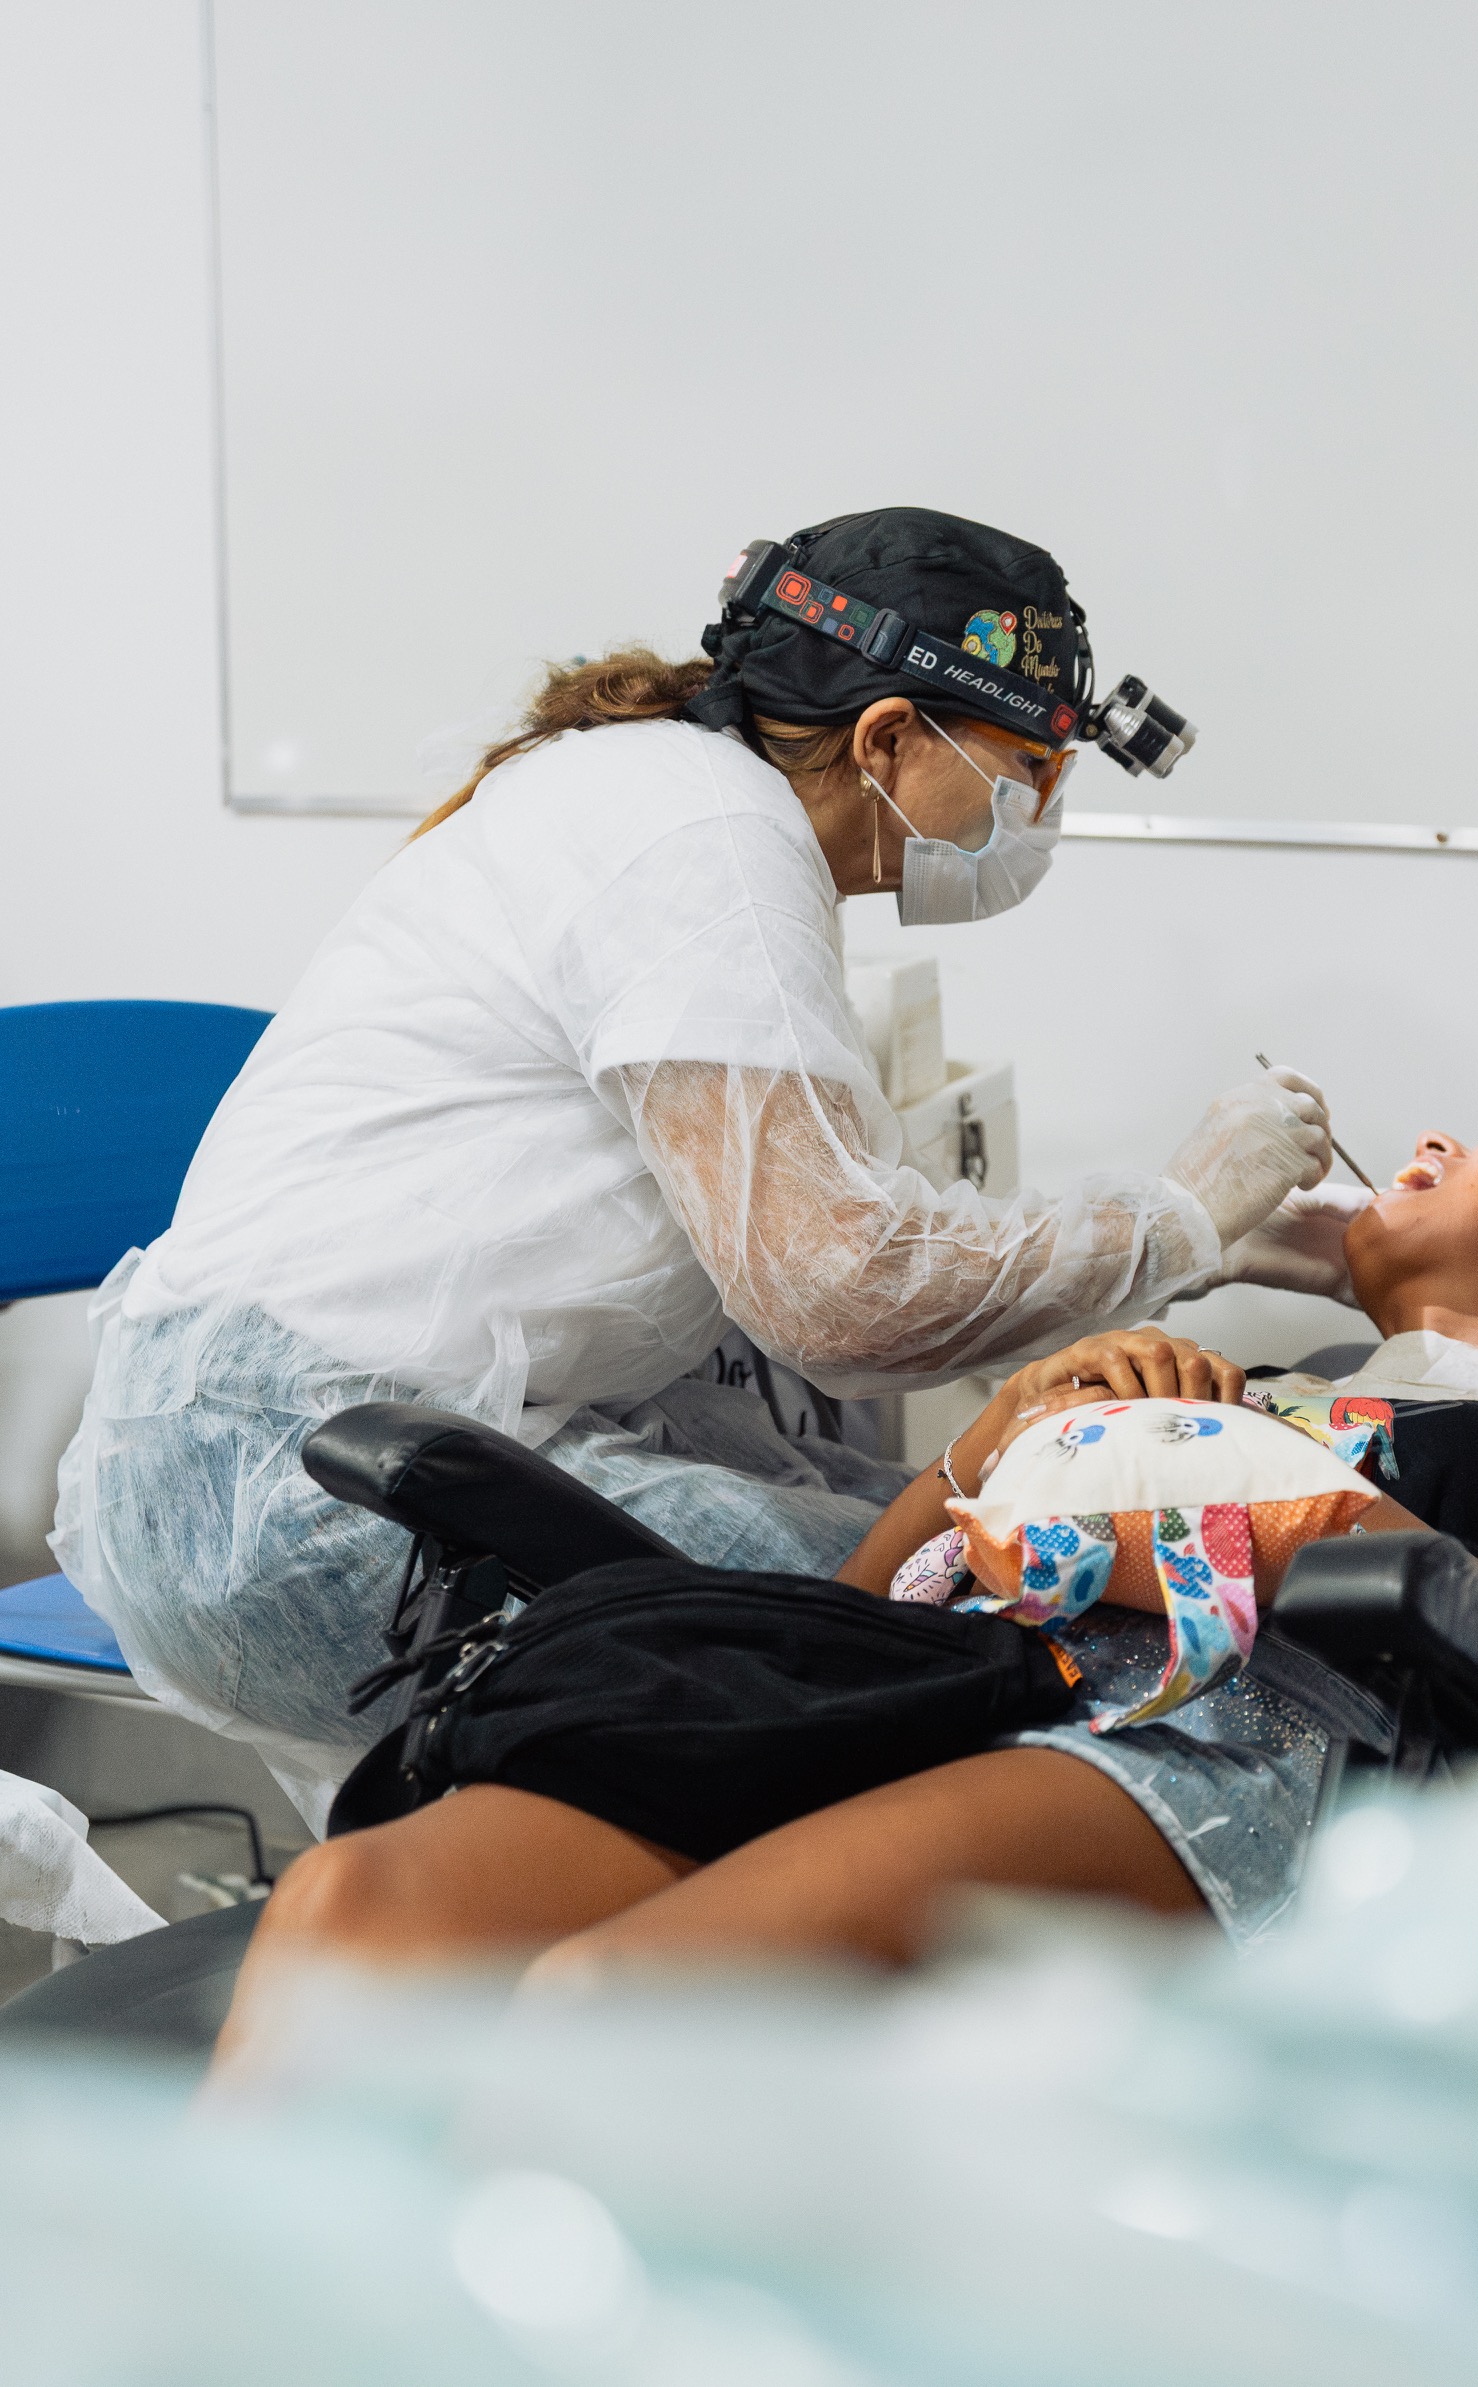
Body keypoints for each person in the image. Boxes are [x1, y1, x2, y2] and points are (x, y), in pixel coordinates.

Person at [49, 508, 1342, 1822]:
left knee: (1009, 1550)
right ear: (889, 737)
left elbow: (837, 1232)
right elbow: (842, 1294)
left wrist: (1207, 1244)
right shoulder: (703, 837)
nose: (1039, 815)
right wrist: (1176, 1222)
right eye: (1027, 768)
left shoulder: (672, 804)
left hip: (369, 1449)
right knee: (1065, 1621)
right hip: (319, 1502)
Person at [221, 1128, 1478, 2037]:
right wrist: (1005, 1432)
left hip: (1224, 1725)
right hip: (913, 1688)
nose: (1425, 1136)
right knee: (352, 1922)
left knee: (622, 2008)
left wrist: (1301, 1525)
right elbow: (863, 1614)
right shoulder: (1255, 1380)